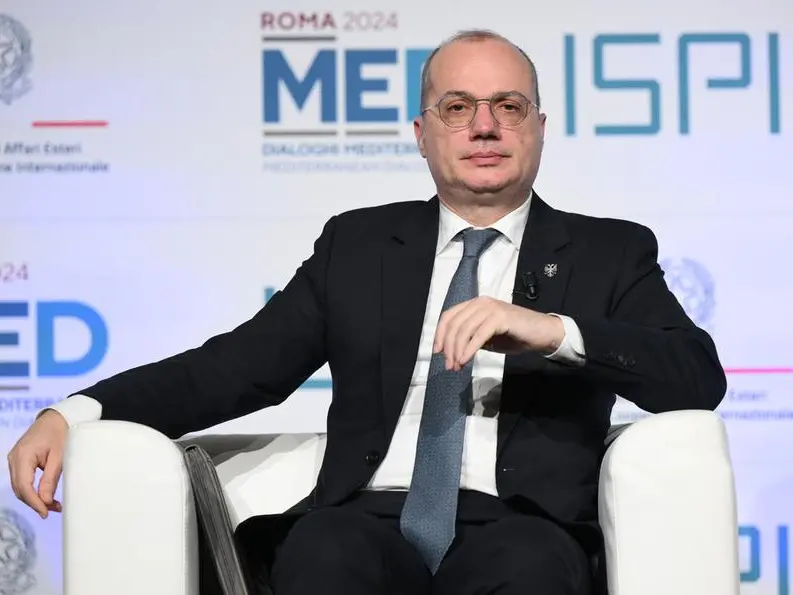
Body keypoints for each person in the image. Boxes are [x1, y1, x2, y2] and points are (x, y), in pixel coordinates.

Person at [7, 29, 726, 595]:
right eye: (458, 107)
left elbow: (695, 378)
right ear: (421, 132)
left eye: (508, 107)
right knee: (321, 549)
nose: (484, 126)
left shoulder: (608, 251)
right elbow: (235, 368)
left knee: (528, 562)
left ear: (537, 126)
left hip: (522, 523)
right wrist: (78, 412)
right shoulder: (358, 245)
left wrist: (555, 332)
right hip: (369, 515)